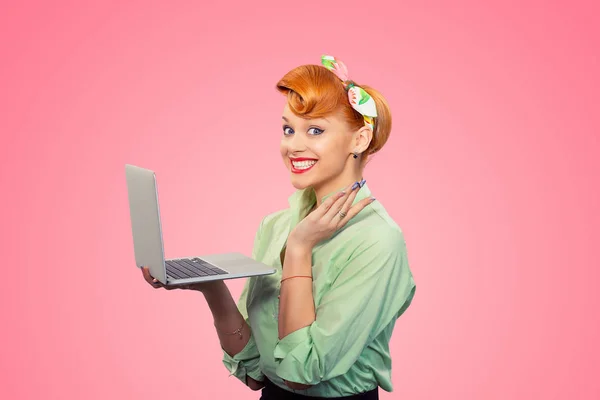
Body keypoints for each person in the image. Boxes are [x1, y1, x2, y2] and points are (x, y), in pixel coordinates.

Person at [141, 54, 416, 399]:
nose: (293, 146)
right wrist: (211, 287)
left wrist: (299, 250)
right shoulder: (276, 226)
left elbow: (301, 373)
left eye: (314, 130)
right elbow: (256, 372)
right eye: (288, 129)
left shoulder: (378, 241)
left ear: (359, 140)